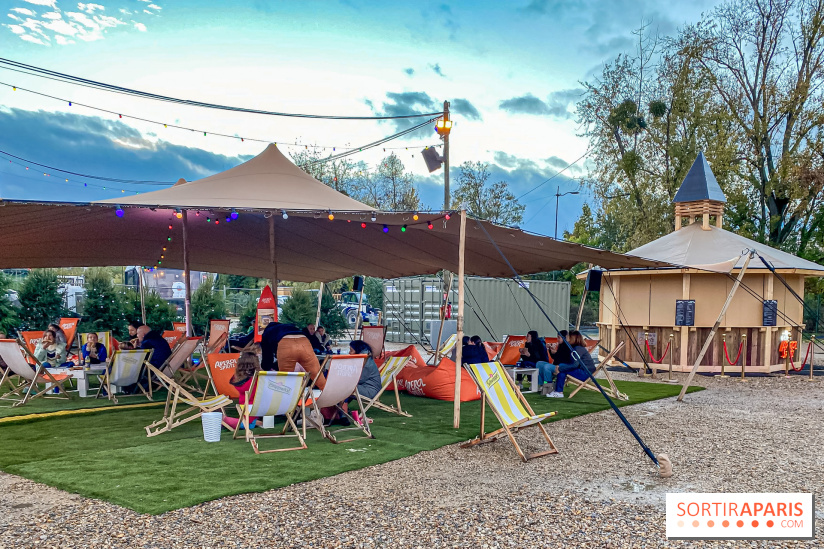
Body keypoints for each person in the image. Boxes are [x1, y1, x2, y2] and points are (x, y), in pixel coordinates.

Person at [260, 322, 326, 390]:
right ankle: (330, 396)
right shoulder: (289, 326)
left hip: (286, 343)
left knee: (286, 382)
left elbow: (267, 355)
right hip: (304, 341)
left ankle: (288, 399)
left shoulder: (267, 332)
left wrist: (266, 367)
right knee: (318, 376)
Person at [330, 340, 382, 426]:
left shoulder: (366, 362)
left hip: (370, 391)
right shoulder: (363, 359)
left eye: (351, 350)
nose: (349, 353)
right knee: (343, 385)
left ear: (357, 350)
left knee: (344, 386)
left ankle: (343, 414)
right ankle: (340, 411)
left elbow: (358, 379)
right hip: (363, 386)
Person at [547, 330, 595, 398]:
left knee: (561, 369)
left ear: (572, 338)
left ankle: (558, 391)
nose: (566, 338)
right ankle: (558, 391)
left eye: (568, 337)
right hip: (585, 371)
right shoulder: (578, 348)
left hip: (585, 373)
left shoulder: (577, 349)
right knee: (562, 370)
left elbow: (575, 365)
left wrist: (560, 367)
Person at [223, 352, 261, 431]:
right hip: (259, 407)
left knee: (248, 423)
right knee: (248, 423)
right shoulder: (259, 378)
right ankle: (223, 420)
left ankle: (223, 420)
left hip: (245, 406)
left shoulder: (238, 379)